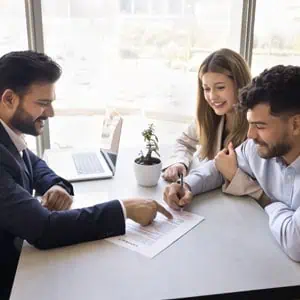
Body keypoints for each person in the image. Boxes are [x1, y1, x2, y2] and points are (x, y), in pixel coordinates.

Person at [0, 51, 172, 299]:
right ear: (8, 99)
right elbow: (45, 230)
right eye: (43, 103)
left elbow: (34, 164)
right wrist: (124, 209)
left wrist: (56, 185)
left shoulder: (9, 135)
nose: (51, 113)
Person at [163, 65, 300, 262]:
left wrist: (270, 203)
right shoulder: (256, 147)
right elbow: (220, 166)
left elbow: (295, 243)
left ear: (296, 124)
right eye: (250, 124)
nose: (250, 135)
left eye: (260, 126)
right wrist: (186, 185)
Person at [162, 48, 251, 182]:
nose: (212, 96)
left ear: (240, 85)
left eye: (220, 87)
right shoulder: (209, 117)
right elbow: (183, 142)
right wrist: (179, 162)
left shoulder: (257, 125)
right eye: (207, 89)